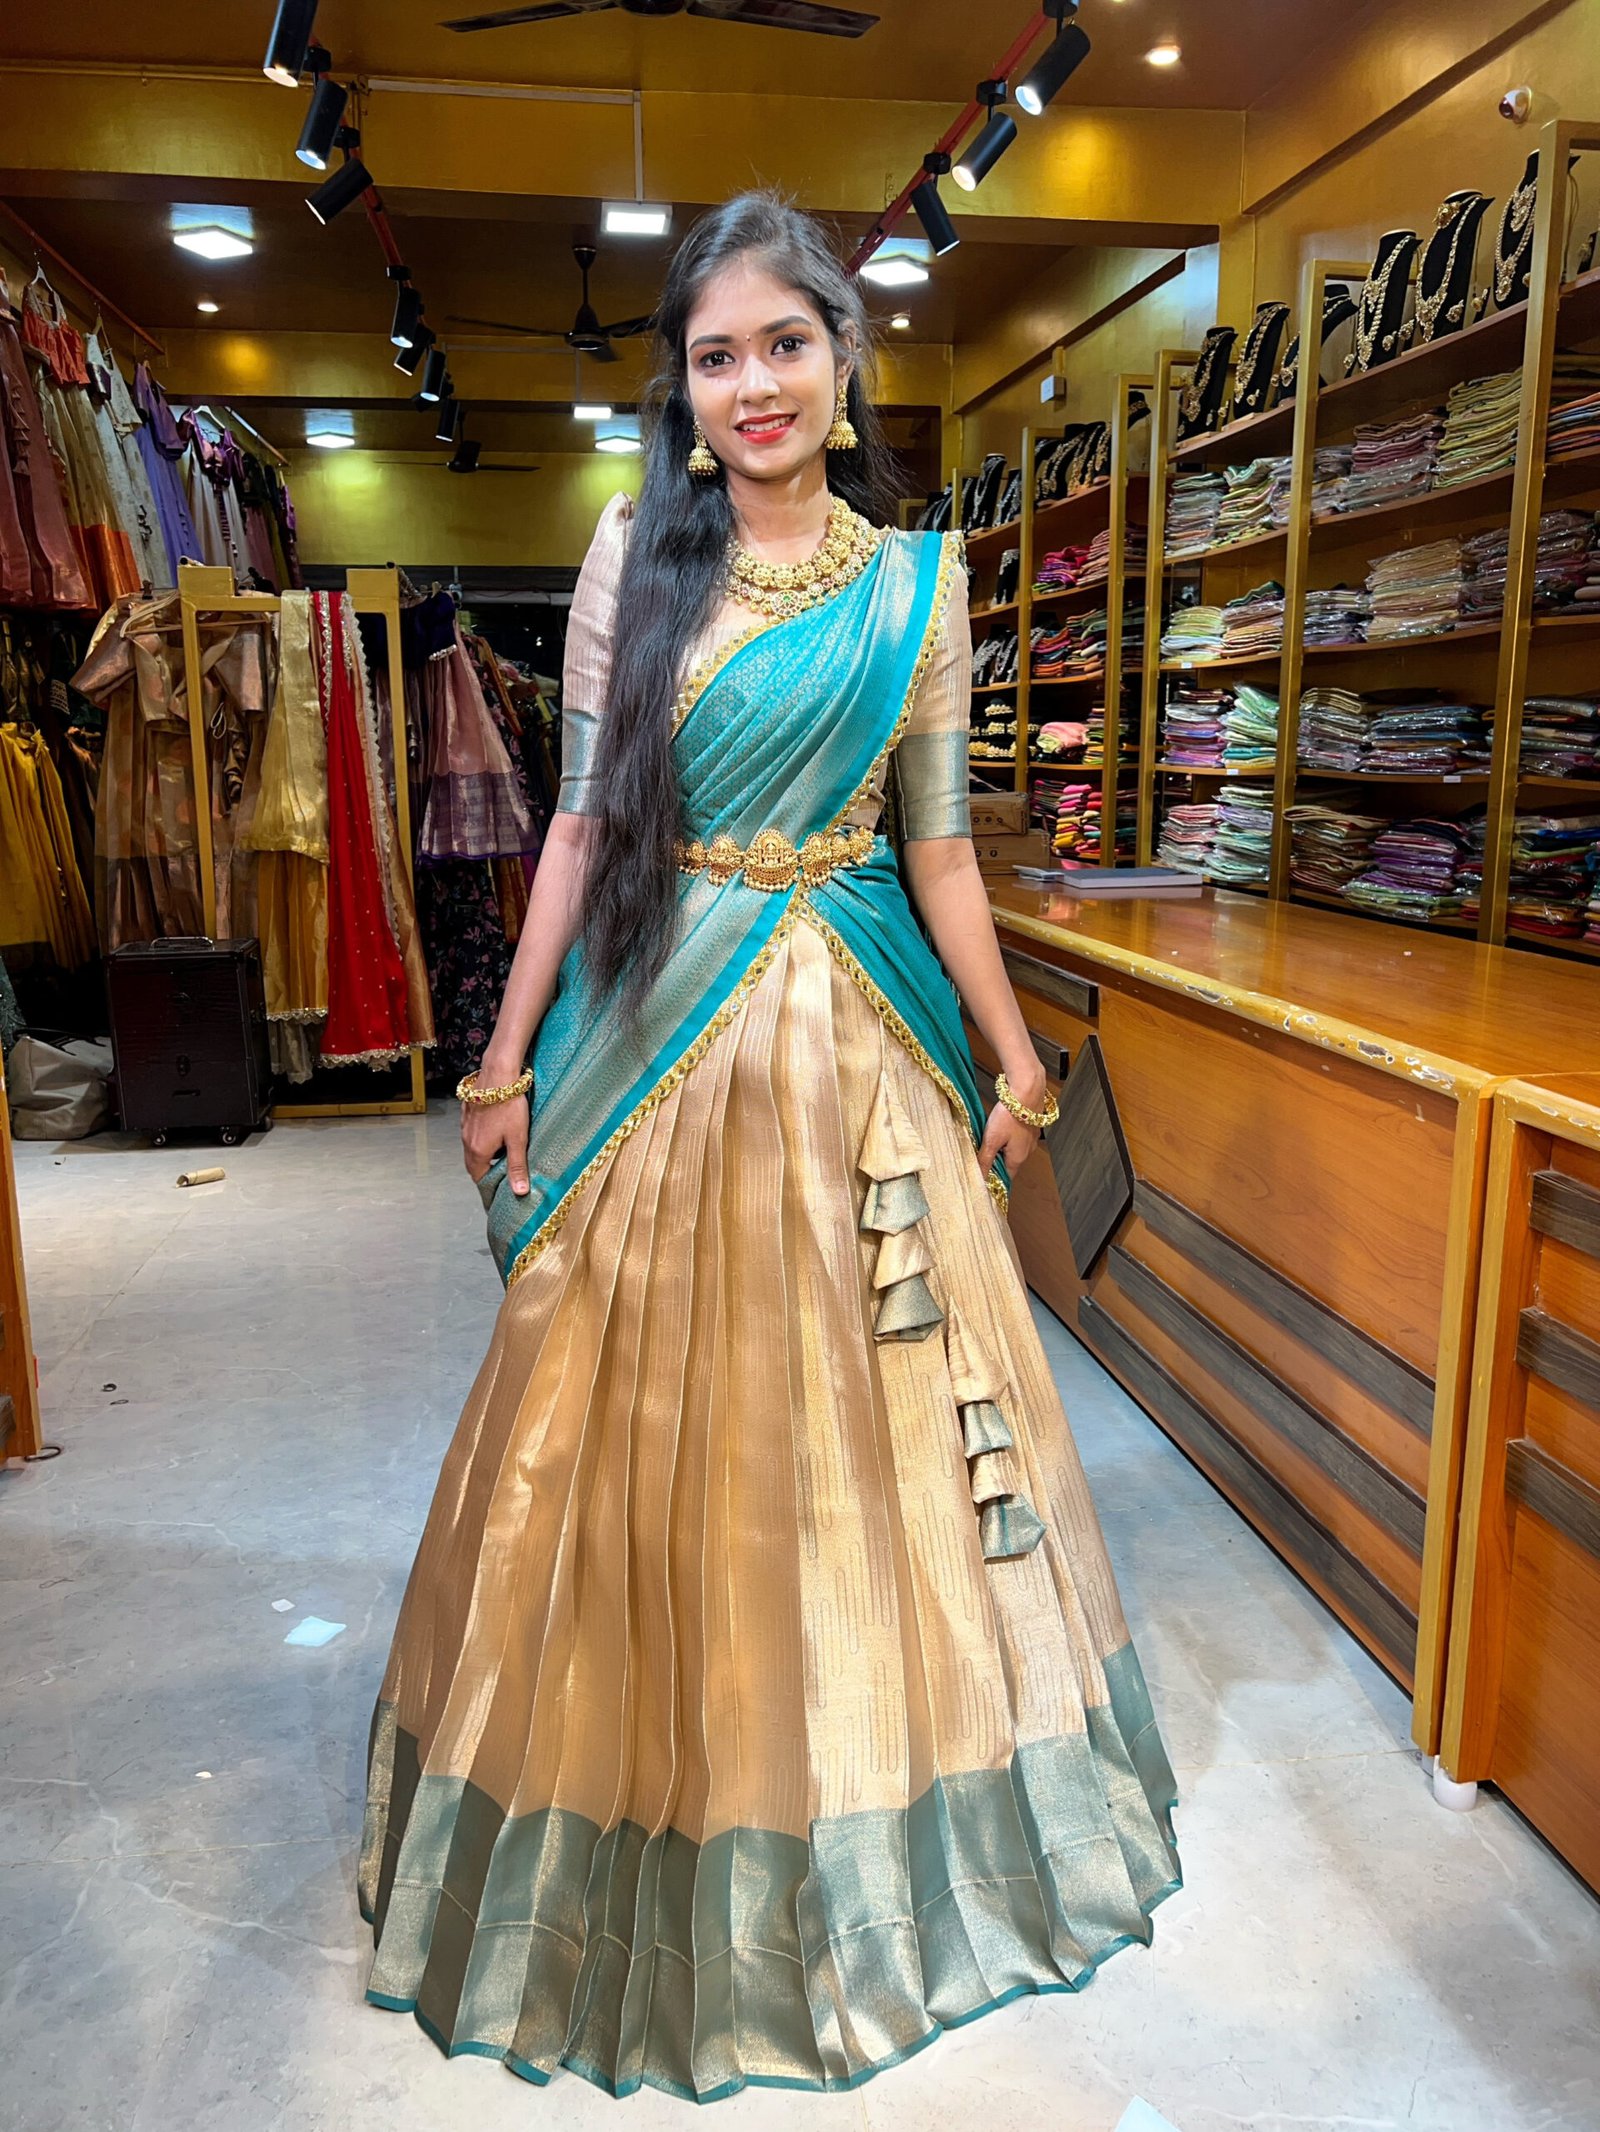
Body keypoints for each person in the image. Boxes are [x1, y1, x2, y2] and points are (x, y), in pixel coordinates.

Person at [359, 191, 1180, 2103]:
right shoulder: (631, 555)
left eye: (784, 346)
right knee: (653, 1432)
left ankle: (894, 1828)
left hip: (864, 1049)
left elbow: (941, 852)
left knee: (878, 1429)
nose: (753, 386)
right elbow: (577, 835)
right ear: (683, 383)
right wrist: (500, 1060)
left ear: (845, 358)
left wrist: (1015, 1062)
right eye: (715, 355)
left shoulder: (922, 586)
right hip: (666, 1029)